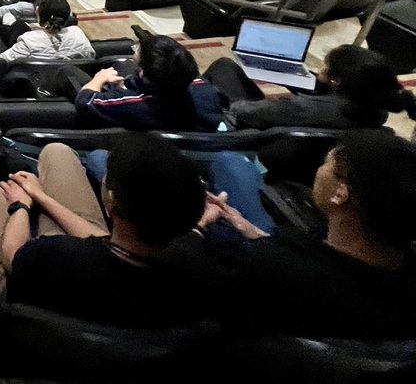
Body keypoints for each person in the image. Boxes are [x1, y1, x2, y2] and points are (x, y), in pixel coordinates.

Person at [199, 130, 416, 339]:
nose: (319, 170)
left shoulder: (260, 269)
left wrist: (198, 228)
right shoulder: (400, 289)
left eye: (326, 162)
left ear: (340, 194)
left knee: (231, 162)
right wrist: (257, 235)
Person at [0, 134, 206, 325]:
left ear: (111, 202)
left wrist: (20, 205)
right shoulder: (199, 270)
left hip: (29, 300)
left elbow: (11, 257)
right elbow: (106, 241)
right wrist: (41, 196)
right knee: (57, 150)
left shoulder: (55, 256)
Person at [206, 45, 416, 130]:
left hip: (246, 127)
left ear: (336, 80)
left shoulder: (306, 108)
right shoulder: (377, 111)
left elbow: (243, 111)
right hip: (289, 129)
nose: (321, 67)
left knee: (224, 67)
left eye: (326, 65)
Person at [70, 34, 224, 131]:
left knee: (67, 71)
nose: (136, 50)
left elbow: (85, 101)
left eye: (137, 51)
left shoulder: (135, 104)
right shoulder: (207, 90)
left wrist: (100, 77)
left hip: (128, 121)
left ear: (143, 74)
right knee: (224, 64)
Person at [0, 0, 94, 61]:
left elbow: (3, 60)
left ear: (39, 13)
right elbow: (90, 57)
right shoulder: (78, 34)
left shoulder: (29, 40)